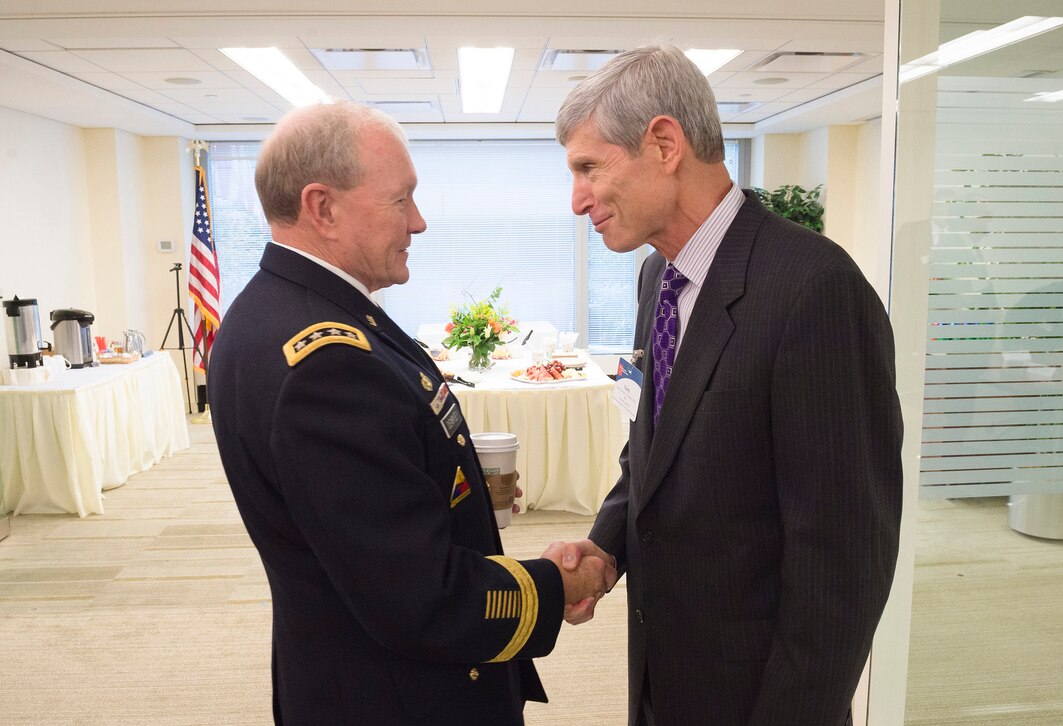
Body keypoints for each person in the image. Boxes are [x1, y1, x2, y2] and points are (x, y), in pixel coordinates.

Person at [208, 101, 614, 725]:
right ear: (323, 207)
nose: (419, 223)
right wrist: (559, 586)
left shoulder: (279, 309)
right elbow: (421, 598)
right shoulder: (326, 362)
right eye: (401, 200)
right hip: (396, 696)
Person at [552, 44, 904, 726]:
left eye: (589, 167)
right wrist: (604, 548)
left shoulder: (814, 289)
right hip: (665, 677)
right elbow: (650, 454)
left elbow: (843, 563)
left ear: (663, 143)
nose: (577, 200)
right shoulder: (658, 277)